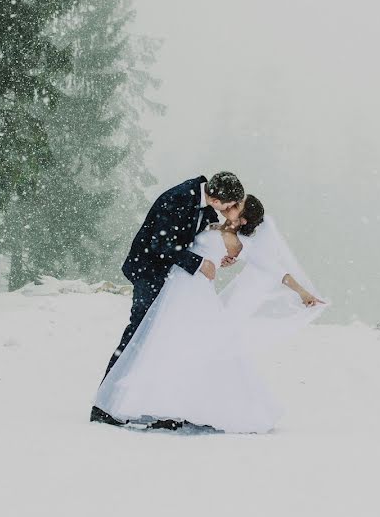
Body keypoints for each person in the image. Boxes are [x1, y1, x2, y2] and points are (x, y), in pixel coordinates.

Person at [92, 194, 325, 433]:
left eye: (236, 206)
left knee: (191, 350)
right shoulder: (210, 222)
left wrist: (303, 292)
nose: (230, 206)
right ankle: (161, 405)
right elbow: (180, 244)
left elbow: (275, 270)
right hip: (174, 290)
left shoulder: (239, 244)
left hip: (196, 295)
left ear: (243, 220)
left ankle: (179, 408)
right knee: (164, 347)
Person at [90, 172, 245, 426]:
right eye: (228, 206)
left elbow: (198, 235)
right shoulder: (179, 198)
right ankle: (105, 404)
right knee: (138, 334)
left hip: (171, 278)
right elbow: (161, 244)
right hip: (149, 272)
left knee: (163, 338)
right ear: (216, 199)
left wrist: (219, 256)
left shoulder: (202, 202)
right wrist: (199, 264)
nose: (229, 210)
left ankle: (156, 403)